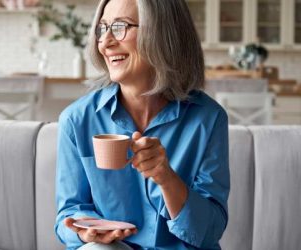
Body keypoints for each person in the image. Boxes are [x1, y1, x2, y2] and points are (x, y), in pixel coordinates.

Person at [55, 0, 230, 249]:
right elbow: (69, 212)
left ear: (162, 32)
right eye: (102, 29)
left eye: (120, 27)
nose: (105, 42)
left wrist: (167, 178)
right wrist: (86, 232)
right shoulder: (77, 121)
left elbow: (209, 231)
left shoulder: (208, 120)